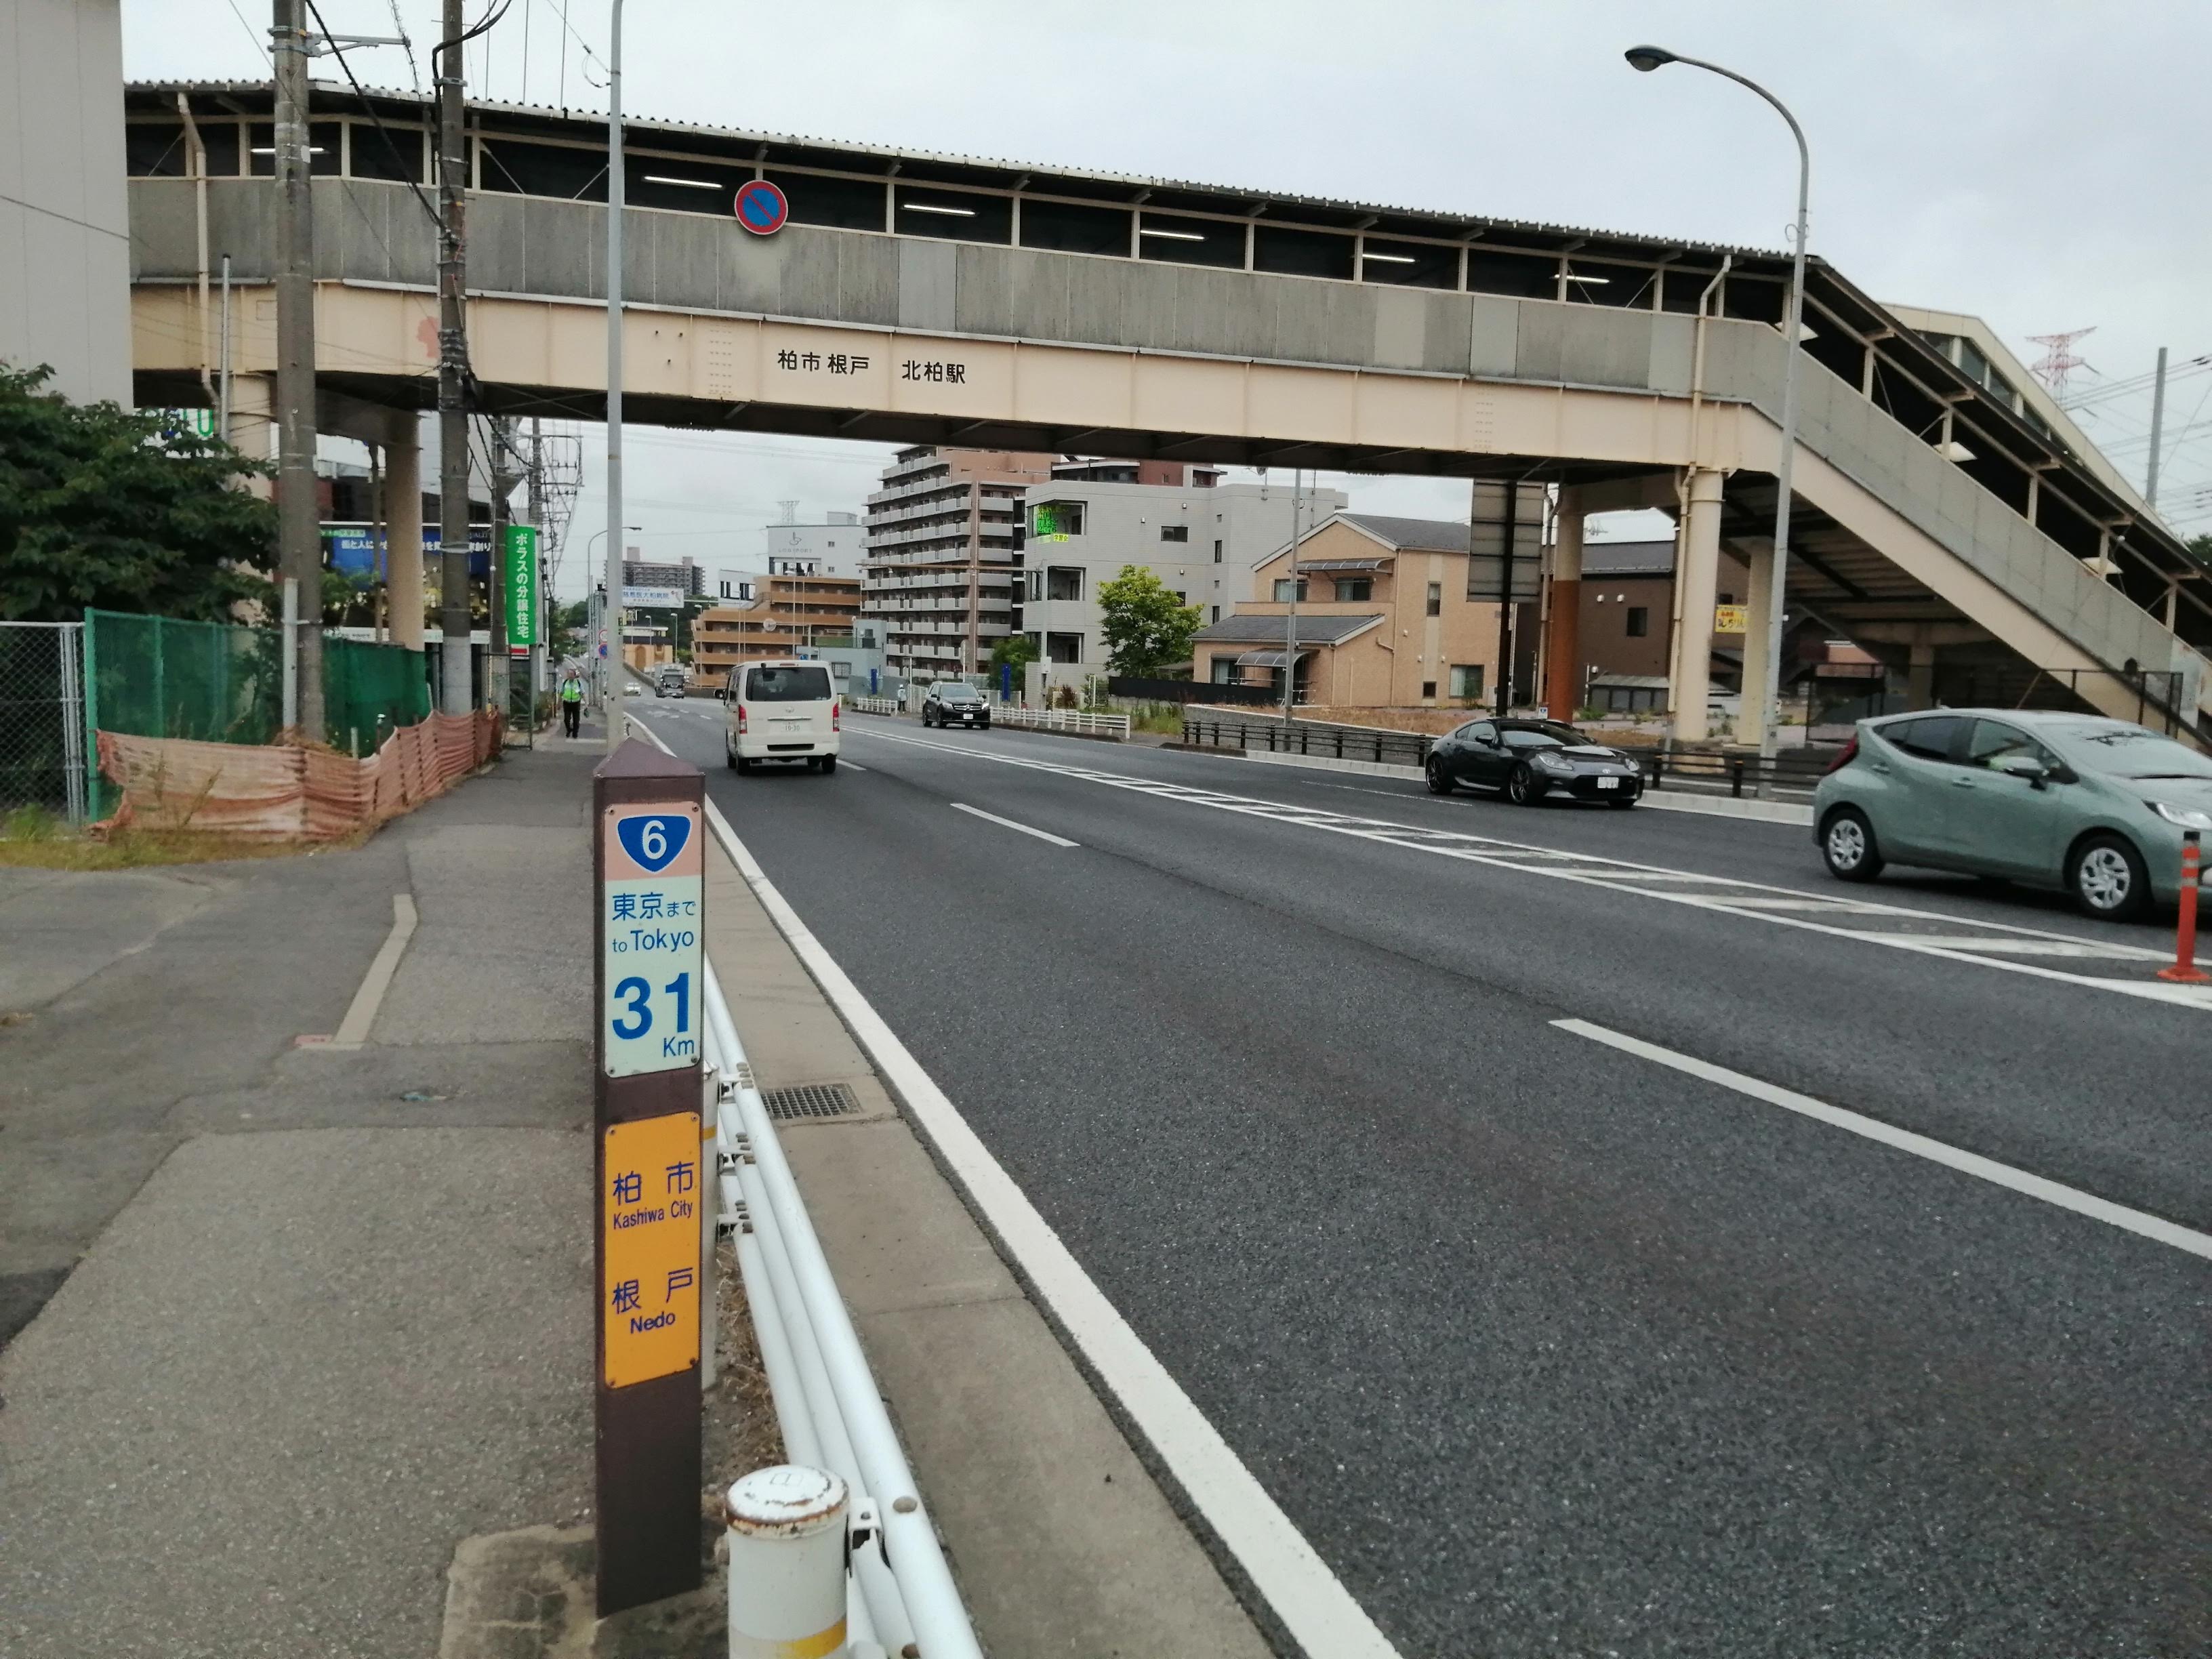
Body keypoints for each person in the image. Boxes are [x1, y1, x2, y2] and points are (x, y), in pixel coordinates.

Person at [559, 671, 584, 737]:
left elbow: (582, 693)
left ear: (574, 675)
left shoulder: (578, 683)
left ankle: (575, 733)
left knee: (576, 720)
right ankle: (569, 729)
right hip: (567, 703)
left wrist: (586, 703)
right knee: (566, 719)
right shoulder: (565, 683)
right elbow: (561, 692)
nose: (570, 676)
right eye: (569, 674)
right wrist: (559, 702)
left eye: (571, 674)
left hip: (576, 703)